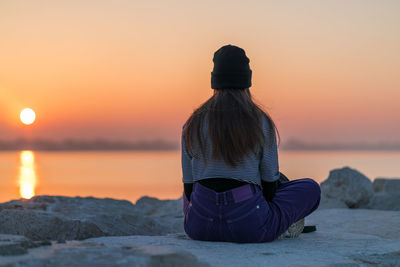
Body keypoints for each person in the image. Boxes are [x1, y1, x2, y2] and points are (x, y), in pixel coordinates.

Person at [181, 44, 321, 243]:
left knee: (196, 190)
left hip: (200, 228)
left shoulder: (193, 122)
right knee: (310, 188)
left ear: (214, 81)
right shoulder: (260, 120)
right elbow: (270, 186)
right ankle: (279, 224)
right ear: (247, 81)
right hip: (249, 227)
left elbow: (188, 188)